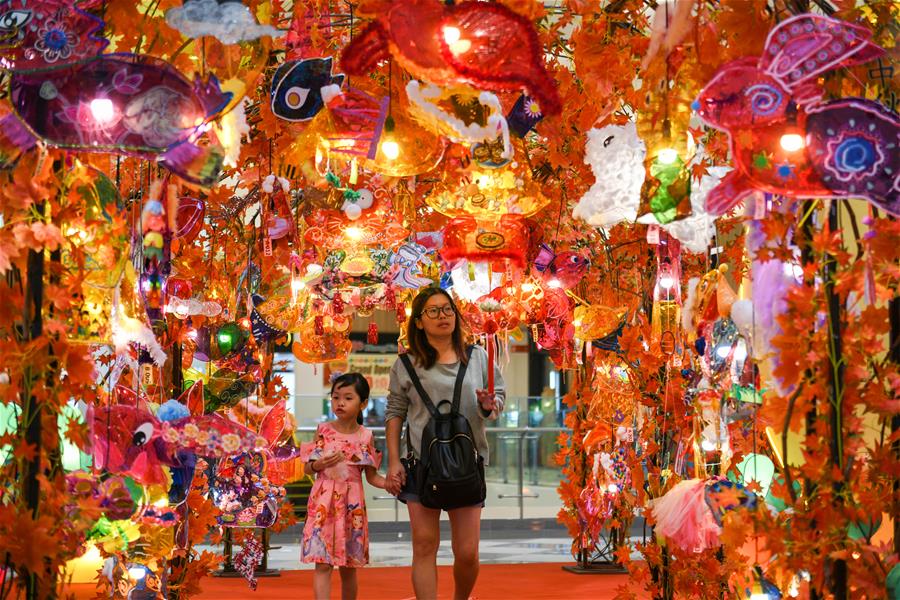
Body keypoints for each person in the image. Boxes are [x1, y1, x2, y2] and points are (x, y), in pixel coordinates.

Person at [385, 287, 504, 600]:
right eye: (433, 311)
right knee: (424, 545)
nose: (443, 316)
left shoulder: (478, 356)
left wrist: (490, 404)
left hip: (467, 462)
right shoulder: (406, 363)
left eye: (448, 309)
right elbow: (395, 412)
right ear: (420, 322)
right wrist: (394, 460)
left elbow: (497, 400)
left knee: (467, 553)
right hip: (420, 465)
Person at [300, 373, 387, 600]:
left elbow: (372, 477)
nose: (340, 402)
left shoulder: (367, 436)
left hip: (352, 508)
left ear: (363, 404)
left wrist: (391, 484)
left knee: (349, 568)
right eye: (336, 396)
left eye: (348, 398)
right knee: (322, 564)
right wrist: (319, 464)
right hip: (323, 506)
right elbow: (307, 469)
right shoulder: (324, 430)